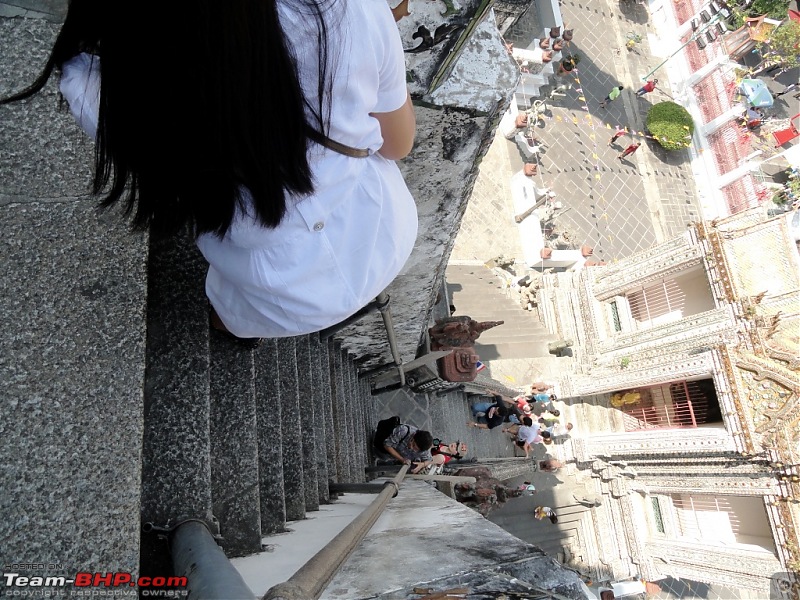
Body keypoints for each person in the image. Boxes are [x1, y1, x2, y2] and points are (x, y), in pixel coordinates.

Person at [2, 0, 418, 343]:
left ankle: (232, 328)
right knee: (235, 319)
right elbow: (397, 144)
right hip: (383, 229)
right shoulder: (346, 10)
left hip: (279, 287)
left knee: (233, 315)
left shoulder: (97, 87)